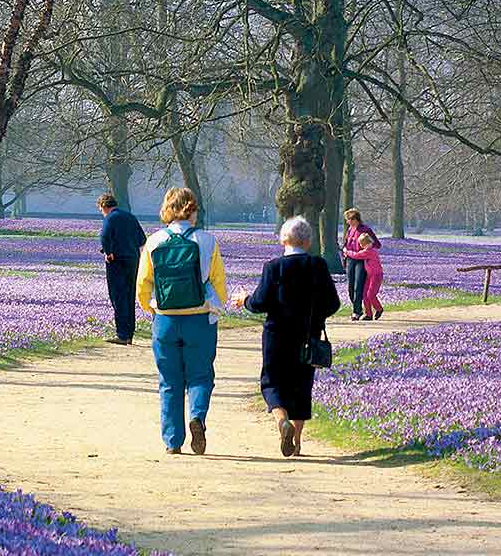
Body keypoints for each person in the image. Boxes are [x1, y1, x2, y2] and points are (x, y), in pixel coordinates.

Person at [235, 216, 339, 457]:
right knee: (302, 387)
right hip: (308, 337)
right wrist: (316, 317)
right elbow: (333, 303)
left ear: (284, 239)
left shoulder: (273, 267)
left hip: (276, 336)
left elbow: (260, 302)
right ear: (308, 240)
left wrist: (245, 300)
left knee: (272, 383)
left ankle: (282, 421)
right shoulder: (319, 265)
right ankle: (298, 443)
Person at [137, 188, 229, 455]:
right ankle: (197, 417)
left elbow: (143, 285)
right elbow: (219, 284)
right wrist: (215, 309)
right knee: (201, 376)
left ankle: (172, 441)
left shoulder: (154, 242)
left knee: (169, 381)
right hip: (199, 319)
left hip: (165, 320)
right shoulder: (207, 241)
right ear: (191, 209)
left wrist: (151, 307)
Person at [97, 193, 147, 346]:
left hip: (116, 261)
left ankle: (122, 334)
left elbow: (104, 236)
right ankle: (129, 333)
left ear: (103, 206)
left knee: (118, 297)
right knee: (129, 296)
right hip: (133, 260)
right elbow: (142, 239)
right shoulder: (130, 217)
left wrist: (108, 251)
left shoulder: (110, 218)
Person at [342, 209, 380, 321]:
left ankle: (356, 311)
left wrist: (367, 252)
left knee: (358, 286)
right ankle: (357, 308)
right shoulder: (350, 229)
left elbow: (376, 244)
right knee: (350, 287)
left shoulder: (366, 229)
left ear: (355, 219)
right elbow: (346, 244)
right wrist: (345, 256)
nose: (348, 222)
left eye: (349, 220)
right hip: (350, 259)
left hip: (361, 260)